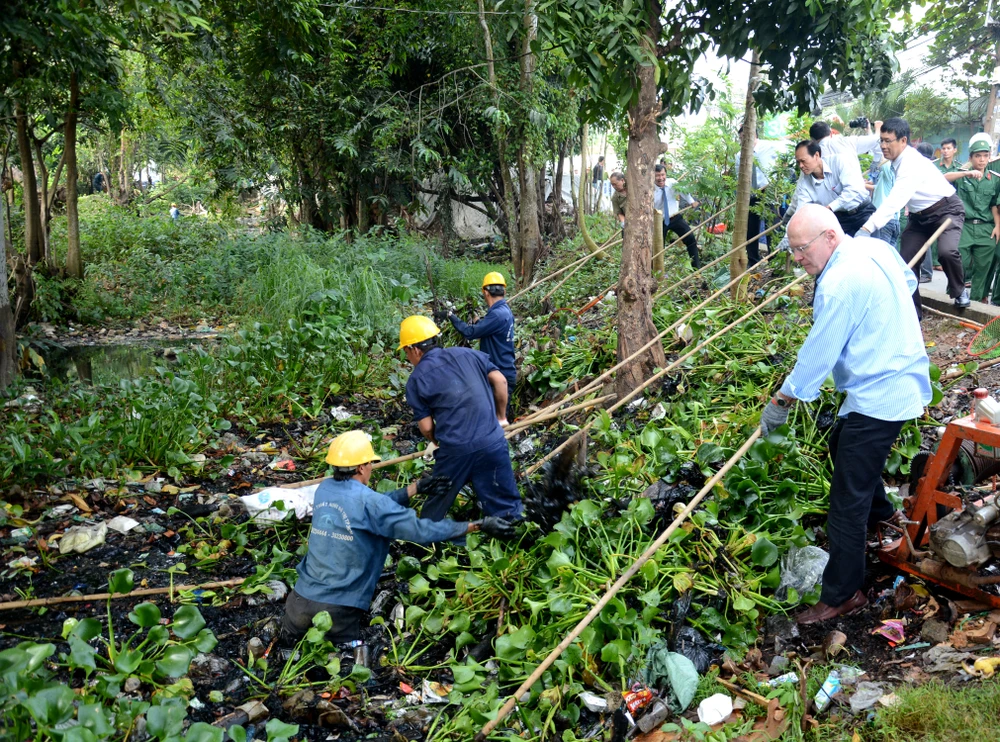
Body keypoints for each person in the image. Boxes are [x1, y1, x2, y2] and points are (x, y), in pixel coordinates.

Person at [760, 204, 930, 624]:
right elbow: (908, 282)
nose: (797, 258)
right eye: (792, 249)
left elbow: (819, 352)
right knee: (841, 443)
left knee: (845, 503)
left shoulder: (838, 283)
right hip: (897, 375)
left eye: (802, 249)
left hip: (882, 394)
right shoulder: (874, 248)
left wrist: (782, 400)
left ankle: (843, 594)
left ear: (830, 237)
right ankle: (886, 516)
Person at [281, 430, 515, 647]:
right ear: (361, 467)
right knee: (344, 663)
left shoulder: (324, 489)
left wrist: (415, 488)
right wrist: (478, 525)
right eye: (370, 464)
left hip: (297, 602)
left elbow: (367, 506)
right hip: (336, 609)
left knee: (292, 652)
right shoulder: (371, 503)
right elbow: (420, 530)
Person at [400, 315, 523, 521]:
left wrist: (435, 442)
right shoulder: (468, 353)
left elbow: (426, 426)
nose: (407, 358)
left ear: (414, 349)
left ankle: (430, 534)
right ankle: (511, 531)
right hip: (492, 441)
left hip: (455, 451)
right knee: (508, 510)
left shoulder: (416, 380)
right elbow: (500, 381)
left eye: (406, 352)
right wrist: (501, 418)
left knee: (433, 512)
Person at [859, 117, 968, 310]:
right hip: (919, 218)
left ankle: (959, 291)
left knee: (946, 252)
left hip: (946, 210)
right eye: (881, 140)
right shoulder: (896, 159)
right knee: (906, 261)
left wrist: (867, 228)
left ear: (903, 141)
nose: (883, 145)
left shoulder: (911, 162)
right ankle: (913, 313)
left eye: (888, 141)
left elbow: (895, 200)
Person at [436, 272, 516, 418]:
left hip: (500, 374)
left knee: (497, 421)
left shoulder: (497, 315)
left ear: (485, 293)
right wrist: (479, 322)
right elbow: (490, 330)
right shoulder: (504, 311)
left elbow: (469, 333)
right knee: (495, 419)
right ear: (504, 292)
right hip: (503, 370)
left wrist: (450, 316)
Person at [944, 137, 1000, 303]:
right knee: (959, 263)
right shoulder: (962, 175)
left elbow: (994, 205)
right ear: (970, 158)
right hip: (964, 227)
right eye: (977, 156)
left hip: (986, 229)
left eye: (985, 156)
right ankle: (954, 296)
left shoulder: (995, 179)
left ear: (989, 157)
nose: (982, 160)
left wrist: (997, 226)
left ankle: (975, 303)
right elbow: (943, 178)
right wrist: (966, 172)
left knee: (982, 269)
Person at [786, 140, 874, 236]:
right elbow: (802, 210)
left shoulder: (839, 162)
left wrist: (830, 207)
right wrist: (789, 235)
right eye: (798, 162)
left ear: (816, 155)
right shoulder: (805, 181)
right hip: (839, 219)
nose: (801, 166)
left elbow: (853, 190)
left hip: (862, 211)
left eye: (803, 161)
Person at [734, 126, 771, 266]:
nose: (742, 141)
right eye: (741, 138)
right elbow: (739, 176)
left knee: (770, 224)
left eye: (745, 137)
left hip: (769, 190)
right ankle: (753, 259)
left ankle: (773, 258)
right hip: (752, 193)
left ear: (754, 136)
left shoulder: (769, 147)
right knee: (751, 225)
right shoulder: (739, 155)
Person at [652, 163, 700, 267]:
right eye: (657, 175)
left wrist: (691, 201)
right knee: (658, 248)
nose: (661, 178)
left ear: (666, 174)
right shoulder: (650, 190)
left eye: (662, 175)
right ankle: (655, 272)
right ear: (653, 176)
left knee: (690, 239)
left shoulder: (672, 183)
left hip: (675, 217)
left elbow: (684, 191)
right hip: (659, 222)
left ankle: (696, 268)